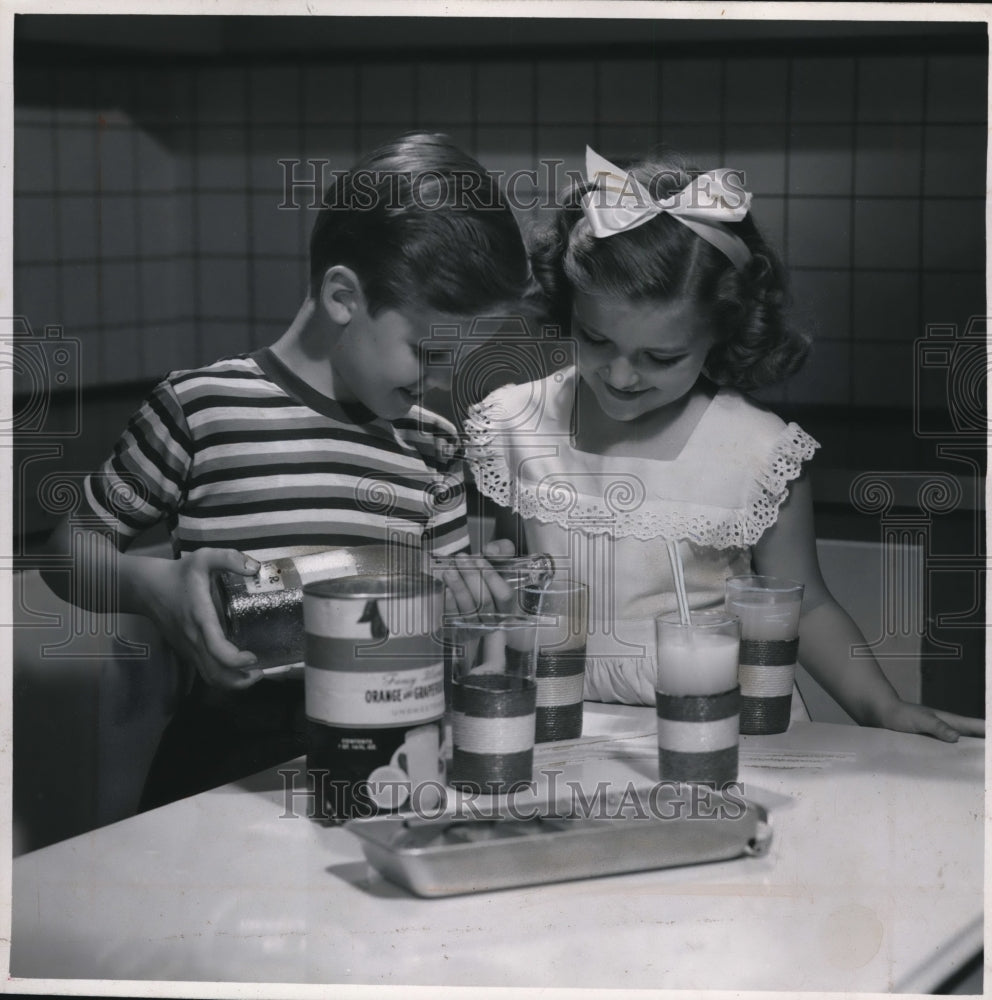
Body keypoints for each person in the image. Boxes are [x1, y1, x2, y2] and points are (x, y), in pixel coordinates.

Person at [41, 132, 528, 807]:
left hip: (387, 759)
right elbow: (67, 554)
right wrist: (153, 586)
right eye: (429, 353)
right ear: (342, 297)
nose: (443, 384)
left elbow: (437, 624)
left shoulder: (432, 445)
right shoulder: (202, 409)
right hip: (226, 766)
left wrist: (471, 603)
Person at [465, 146, 984, 742]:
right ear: (569, 309)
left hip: (717, 726)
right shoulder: (514, 425)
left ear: (720, 331)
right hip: (562, 720)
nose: (621, 374)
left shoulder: (757, 453)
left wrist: (883, 708)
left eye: (661, 357)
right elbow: (497, 587)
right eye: (595, 338)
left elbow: (807, 606)